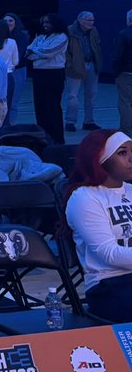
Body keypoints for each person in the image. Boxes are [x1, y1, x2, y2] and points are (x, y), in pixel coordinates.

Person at [64, 130, 132, 322]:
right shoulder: (85, 197)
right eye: (122, 153)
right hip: (109, 283)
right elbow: (108, 254)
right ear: (100, 159)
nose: (131, 158)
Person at [26, 13, 69, 144]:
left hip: (54, 74)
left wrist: (36, 52)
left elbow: (49, 53)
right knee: (40, 107)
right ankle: (43, 137)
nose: (45, 25)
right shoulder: (39, 37)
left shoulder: (62, 37)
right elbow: (28, 52)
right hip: (39, 74)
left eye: (48, 22)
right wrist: (38, 53)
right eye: (44, 22)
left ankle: (57, 138)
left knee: (52, 106)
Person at [65, 11, 103, 132]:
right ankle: (70, 121)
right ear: (81, 21)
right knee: (73, 96)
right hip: (75, 66)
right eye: (89, 20)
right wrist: (70, 65)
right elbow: (65, 51)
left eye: (92, 20)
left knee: (91, 94)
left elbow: (97, 45)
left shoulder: (93, 31)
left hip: (91, 64)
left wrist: (98, 63)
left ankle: (89, 121)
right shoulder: (70, 31)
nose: (92, 22)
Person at [3, 13, 31, 125]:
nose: (8, 23)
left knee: (13, 101)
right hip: (2, 71)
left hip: (17, 70)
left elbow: (20, 54)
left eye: (11, 20)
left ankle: (11, 125)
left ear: (15, 22)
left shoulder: (22, 36)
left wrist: (9, 64)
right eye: (5, 21)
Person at [113, 10, 132, 135]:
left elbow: (118, 55)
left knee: (125, 101)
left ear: (129, 19)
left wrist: (116, 71)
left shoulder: (124, 34)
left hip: (126, 72)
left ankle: (127, 130)